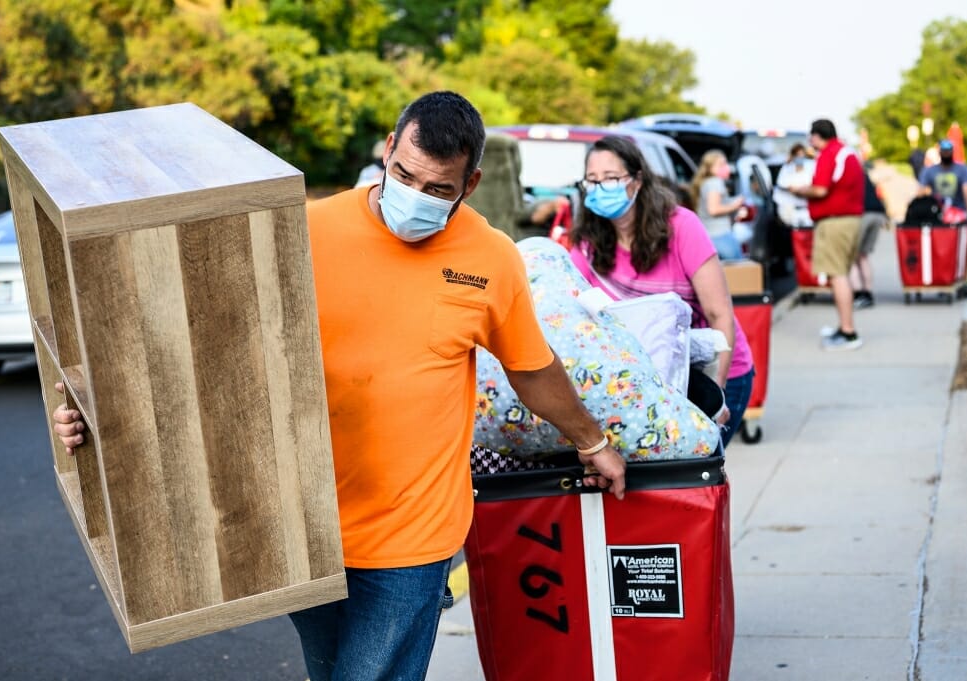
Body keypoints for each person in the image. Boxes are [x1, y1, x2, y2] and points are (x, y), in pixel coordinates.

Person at [51, 91, 626, 681]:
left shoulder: (491, 258)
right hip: (306, 527)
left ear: (470, 184)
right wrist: (94, 410)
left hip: (413, 533)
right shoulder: (305, 230)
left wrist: (591, 441)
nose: (416, 197)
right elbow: (201, 351)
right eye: (405, 175)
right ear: (388, 151)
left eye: (439, 190)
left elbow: (531, 368)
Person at [567, 135, 755, 448]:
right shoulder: (587, 242)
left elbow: (719, 313)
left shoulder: (682, 227)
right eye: (592, 180)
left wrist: (715, 400)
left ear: (637, 181)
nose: (601, 188)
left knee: (696, 477)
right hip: (641, 381)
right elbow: (572, 309)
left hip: (710, 372)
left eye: (611, 178)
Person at [789, 119, 864, 351]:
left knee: (836, 274)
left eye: (810, 136)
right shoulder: (845, 152)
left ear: (816, 135)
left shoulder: (830, 154)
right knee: (841, 272)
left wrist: (799, 189)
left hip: (834, 222)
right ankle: (844, 326)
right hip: (849, 220)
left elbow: (820, 189)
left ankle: (848, 332)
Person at [690, 150, 745, 260]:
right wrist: (735, 204)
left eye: (725, 163)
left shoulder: (706, 183)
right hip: (720, 235)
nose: (726, 167)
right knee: (739, 270)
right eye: (721, 164)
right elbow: (713, 209)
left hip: (710, 236)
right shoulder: (714, 182)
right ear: (710, 168)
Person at [850, 170, 889, 309]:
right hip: (877, 213)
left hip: (862, 213)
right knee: (863, 255)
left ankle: (859, 294)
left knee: (851, 256)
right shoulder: (862, 173)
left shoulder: (845, 171)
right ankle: (868, 292)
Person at [918, 138, 967, 215]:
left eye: (948, 150)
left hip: (958, 212)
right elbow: (921, 192)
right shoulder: (929, 171)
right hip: (935, 211)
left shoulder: (963, 169)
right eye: (944, 150)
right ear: (939, 152)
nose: (946, 153)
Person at [773, 143, 815, 228]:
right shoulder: (787, 168)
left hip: (807, 210)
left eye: (802, 154)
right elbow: (784, 185)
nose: (800, 157)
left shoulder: (811, 166)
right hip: (789, 210)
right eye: (798, 155)